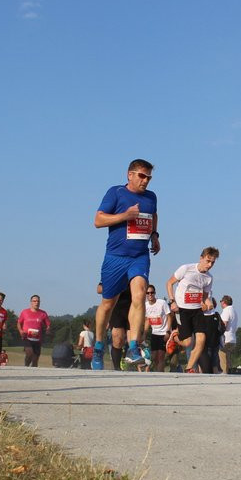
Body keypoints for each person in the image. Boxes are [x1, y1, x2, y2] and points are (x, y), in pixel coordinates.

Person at [92, 159, 160, 369]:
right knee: (107, 304)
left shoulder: (151, 197)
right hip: (115, 257)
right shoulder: (116, 192)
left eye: (149, 177)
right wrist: (125, 215)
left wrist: (155, 235)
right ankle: (98, 346)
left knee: (139, 295)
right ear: (130, 175)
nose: (145, 181)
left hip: (139, 257)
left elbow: (153, 214)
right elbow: (98, 221)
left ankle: (132, 347)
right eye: (142, 175)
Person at [166, 247, 218, 373]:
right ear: (201, 258)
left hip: (197, 311)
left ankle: (189, 368)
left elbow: (205, 297)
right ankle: (174, 337)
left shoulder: (209, 278)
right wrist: (172, 301)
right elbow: (169, 283)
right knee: (188, 342)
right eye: (207, 261)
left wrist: (208, 303)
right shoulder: (186, 269)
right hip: (182, 309)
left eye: (213, 262)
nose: (210, 265)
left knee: (201, 340)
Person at [17, 295, 51, 367]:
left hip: (38, 339)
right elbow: (19, 323)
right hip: (27, 337)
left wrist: (48, 329)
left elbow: (48, 324)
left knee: (35, 359)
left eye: (38, 301)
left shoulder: (43, 313)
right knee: (29, 353)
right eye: (34, 301)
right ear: (31, 302)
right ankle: (26, 366)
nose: (36, 303)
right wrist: (20, 330)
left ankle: (33, 373)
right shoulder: (25, 312)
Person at [144, 284, 172, 371]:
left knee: (161, 356)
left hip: (163, 333)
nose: (150, 295)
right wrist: (144, 334)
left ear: (155, 293)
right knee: (154, 356)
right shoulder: (145, 306)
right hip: (154, 333)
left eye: (152, 292)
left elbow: (169, 316)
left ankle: (160, 374)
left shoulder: (162, 303)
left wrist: (168, 331)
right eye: (148, 293)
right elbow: (147, 320)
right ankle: (157, 373)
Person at [219, 295, 238, 373]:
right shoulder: (234, 311)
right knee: (228, 358)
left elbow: (224, 324)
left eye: (221, 301)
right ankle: (230, 374)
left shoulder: (226, 310)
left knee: (222, 357)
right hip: (233, 339)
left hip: (226, 338)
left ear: (223, 302)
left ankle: (224, 375)